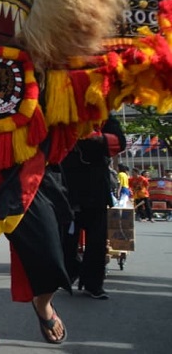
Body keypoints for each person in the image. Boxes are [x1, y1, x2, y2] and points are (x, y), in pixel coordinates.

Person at [61, 115, 125, 300]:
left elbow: (119, 142)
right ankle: (73, 270)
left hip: (96, 188)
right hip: (68, 187)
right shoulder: (64, 113)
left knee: (97, 239)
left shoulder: (104, 117)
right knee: (66, 237)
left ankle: (93, 283)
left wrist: (97, 138)